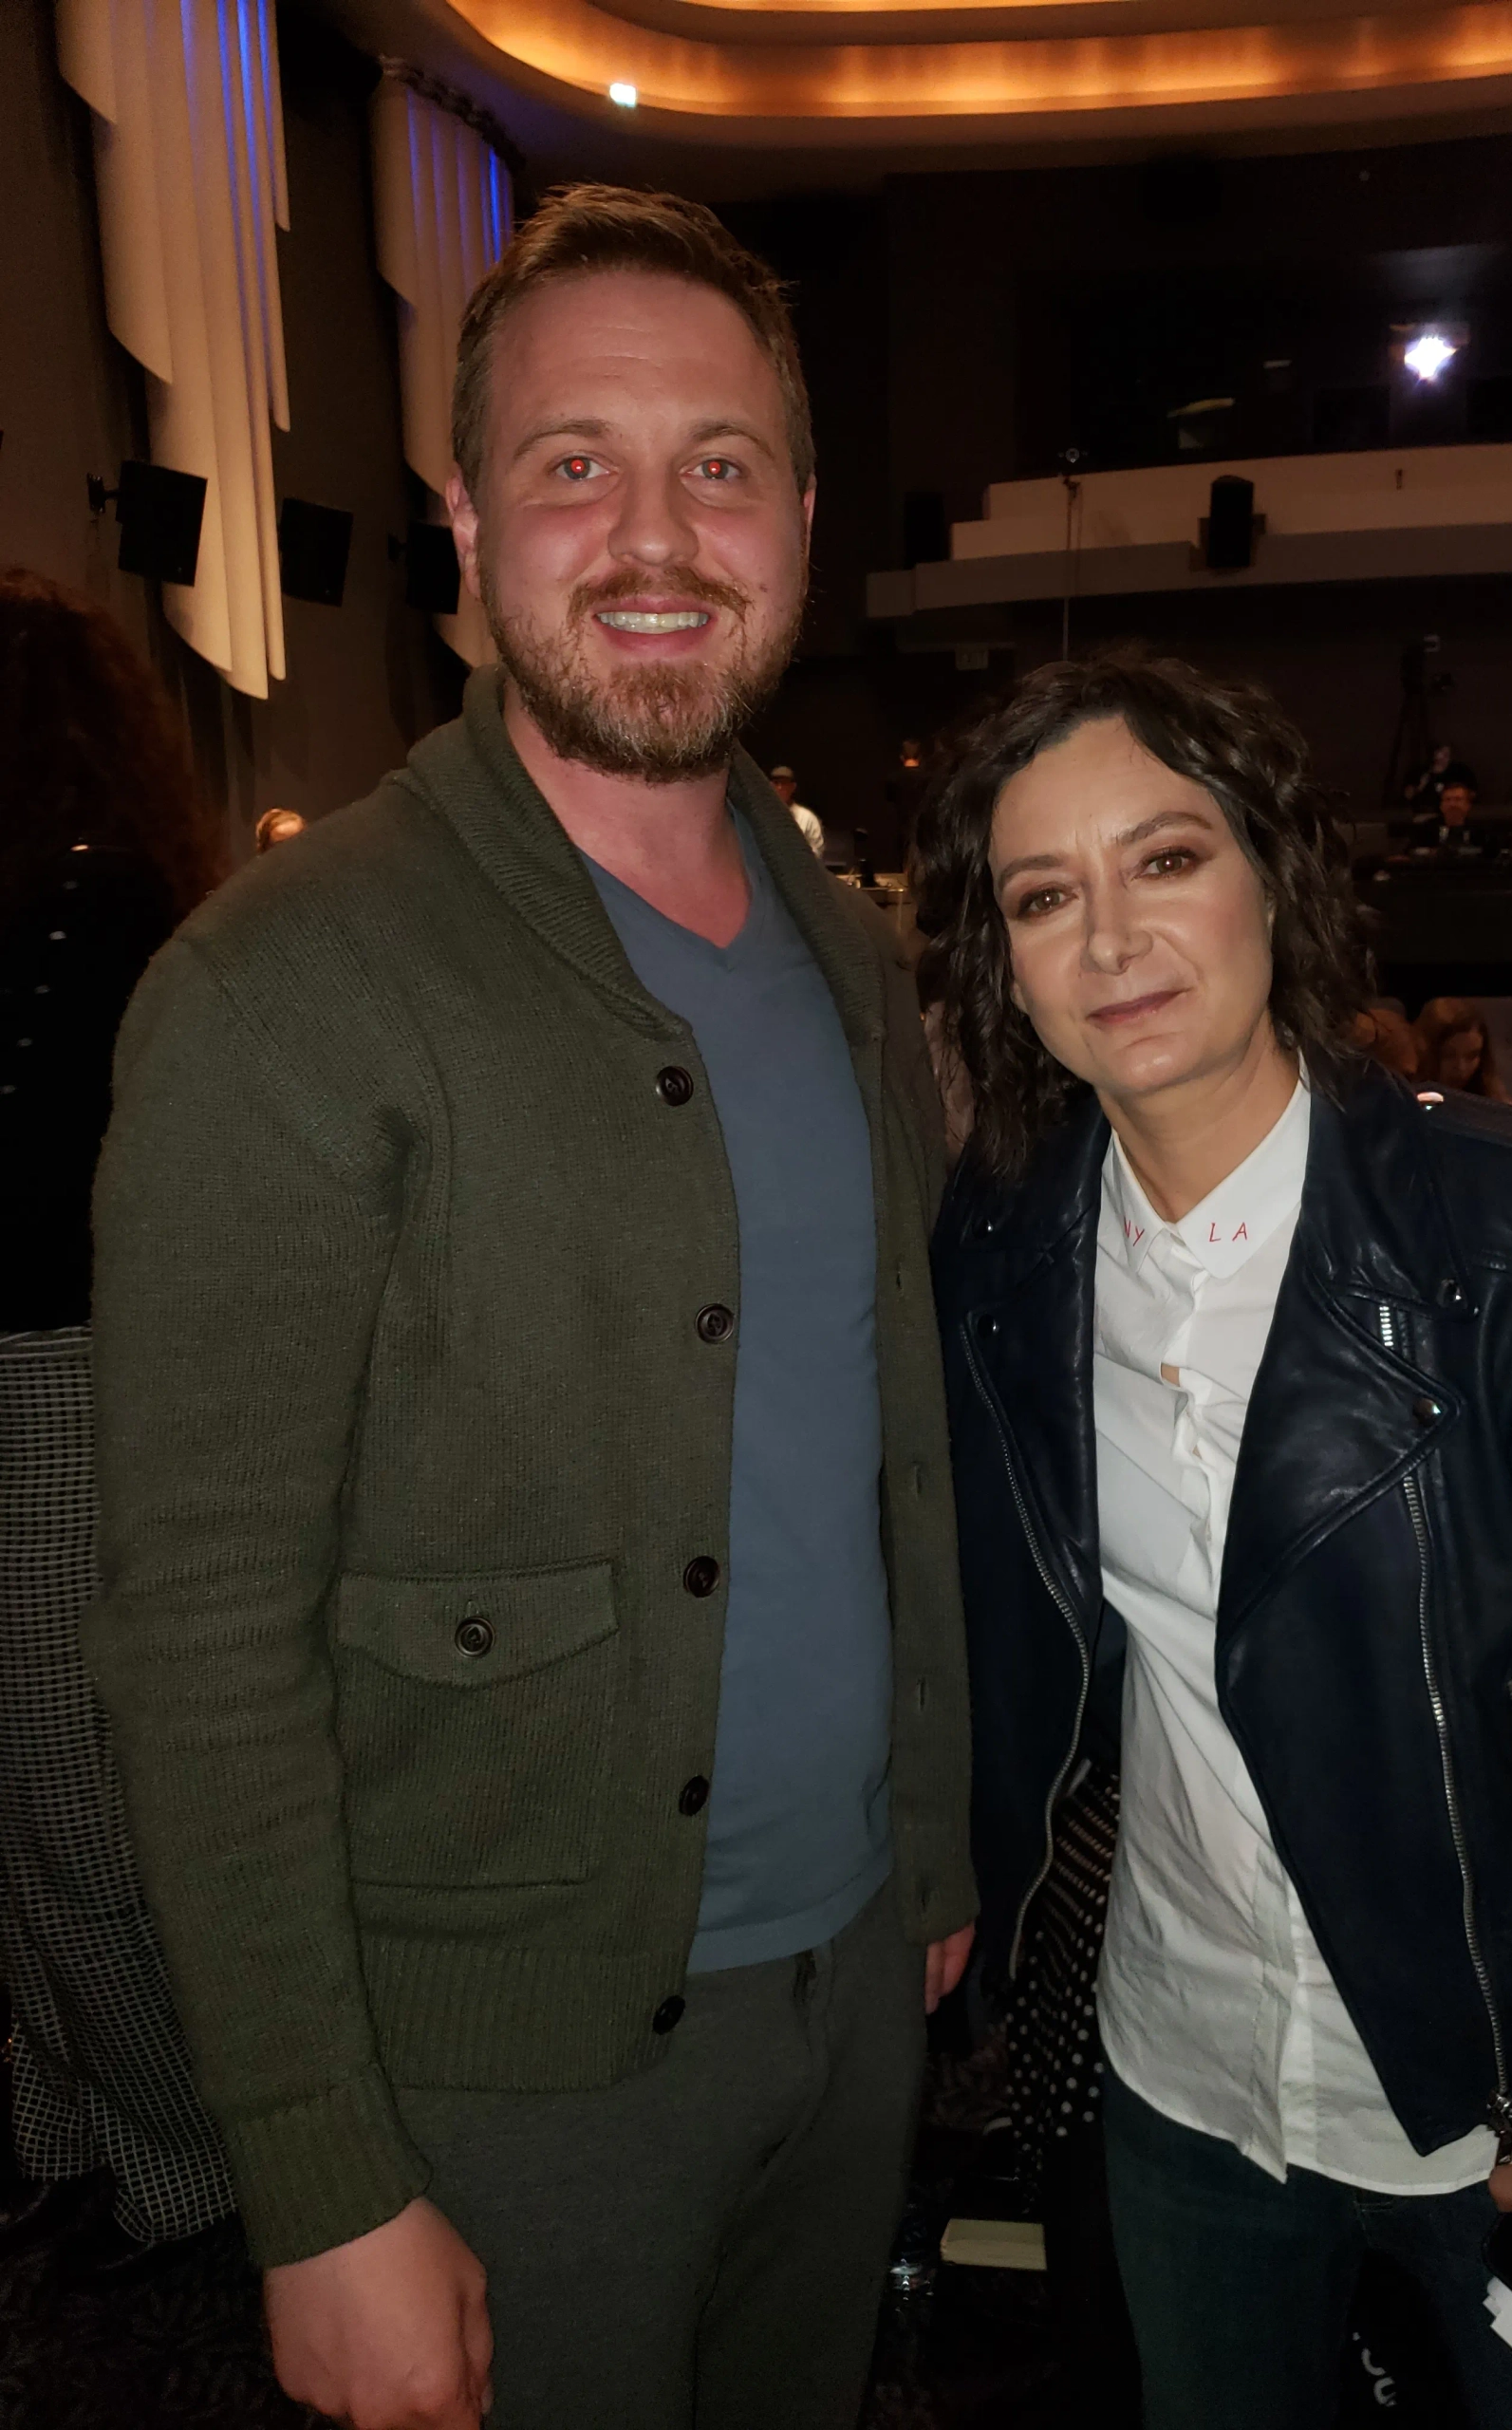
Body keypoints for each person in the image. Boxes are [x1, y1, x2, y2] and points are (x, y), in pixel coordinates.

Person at [85, 185, 976, 2430]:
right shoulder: (286, 989)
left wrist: (934, 1854)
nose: (654, 531)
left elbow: (887, 1452)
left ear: (795, 517)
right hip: (502, 2068)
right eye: (578, 463)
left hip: (856, 1984)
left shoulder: (851, 954)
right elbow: (194, 1622)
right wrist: (317, 2179)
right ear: (470, 521)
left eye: (720, 464)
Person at [920, 645, 1512, 2430]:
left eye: (1165, 859)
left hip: (1510, 2106)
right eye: (1043, 895)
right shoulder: (999, 1246)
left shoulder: (1511, 1223)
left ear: (1273, 876)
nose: (1110, 939)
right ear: (1002, 961)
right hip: (1187, 2076)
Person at [0, 569, 234, 2256]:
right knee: (25, 1812)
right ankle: (67, 2127)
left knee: (75, 1801)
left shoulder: (94, 900)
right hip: (39, 1353)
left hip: (67, 1366)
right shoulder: (75, 889)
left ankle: (188, 2169)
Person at [1414, 998, 1507, 1100]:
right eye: (1449, 1056)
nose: (1461, 1068)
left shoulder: (1493, 1101)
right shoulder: (1405, 1100)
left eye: (1472, 1056)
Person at [767, 763, 825, 858]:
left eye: (784, 783)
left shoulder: (807, 818)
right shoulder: (763, 816)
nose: (780, 788)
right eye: (776, 783)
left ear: (793, 787)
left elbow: (816, 853)